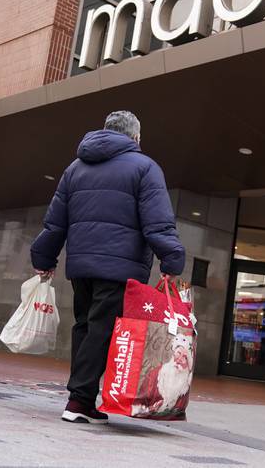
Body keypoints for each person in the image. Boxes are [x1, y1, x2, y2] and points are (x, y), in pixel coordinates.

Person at [31, 111, 185, 424]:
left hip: (82, 266)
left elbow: (55, 222)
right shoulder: (145, 168)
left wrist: (44, 258)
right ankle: (79, 400)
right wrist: (172, 259)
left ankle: (82, 399)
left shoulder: (75, 168)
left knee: (86, 327)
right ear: (136, 137)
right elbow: (157, 223)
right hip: (119, 267)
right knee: (102, 331)